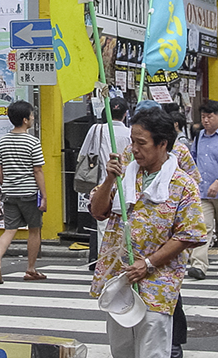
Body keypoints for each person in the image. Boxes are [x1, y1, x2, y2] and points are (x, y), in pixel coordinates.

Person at [89, 108, 206, 358]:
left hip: (158, 282)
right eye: (132, 141)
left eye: (141, 143)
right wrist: (110, 179)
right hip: (121, 279)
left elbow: (188, 235)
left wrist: (149, 264)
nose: (133, 148)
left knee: (153, 349)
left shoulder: (183, 185)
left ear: (162, 144)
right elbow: (99, 211)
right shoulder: (125, 175)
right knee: (121, 349)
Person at [0, 100, 47, 283]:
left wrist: (6, 184)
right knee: (34, 230)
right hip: (29, 193)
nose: (32, 118)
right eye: (31, 116)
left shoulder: (2, 142)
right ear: (25, 120)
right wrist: (44, 196)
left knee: (9, 230)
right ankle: (30, 269)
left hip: (9, 193)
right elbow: (37, 170)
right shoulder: (32, 142)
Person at [188, 100, 218, 279]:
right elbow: (194, 160)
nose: (206, 121)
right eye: (203, 117)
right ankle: (199, 265)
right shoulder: (200, 136)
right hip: (202, 191)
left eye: (209, 117)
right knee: (203, 226)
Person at [78, 97, 132, 249]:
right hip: (126, 185)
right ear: (125, 114)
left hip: (102, 184)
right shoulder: (131, 133)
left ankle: (104, 261)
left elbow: (83, 154)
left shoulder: (96, 129)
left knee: (103, 227)